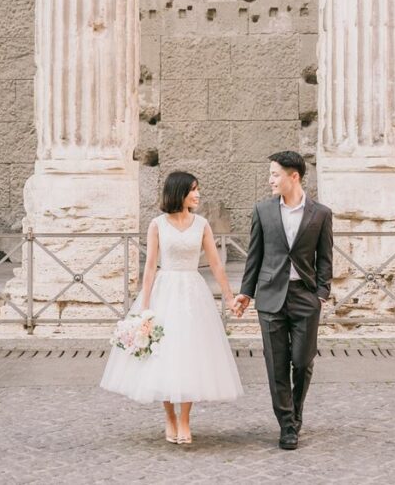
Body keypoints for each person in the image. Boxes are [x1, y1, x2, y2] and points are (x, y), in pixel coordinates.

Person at [100, 171, 243, 445]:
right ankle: (169, 416)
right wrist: (144, 308)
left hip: (192, 292)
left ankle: (186, 419)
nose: (198, 194)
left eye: (198, 189)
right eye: (193, 190)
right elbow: (151, 266)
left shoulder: (201, 224)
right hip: (164, 290)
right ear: (179, 193)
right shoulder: (157, 224)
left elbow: (215, 263)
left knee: (189, 353)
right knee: (163, 354)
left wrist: (228, 296)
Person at [232, 151, 333, 450]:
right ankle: (287, 425)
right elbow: (255, 255)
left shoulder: (321, 213)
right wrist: (246, 292)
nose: (270, 180)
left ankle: (296, 413)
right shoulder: (262, 210)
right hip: (270, 297)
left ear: (294, 177)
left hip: (305, 297)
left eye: (275, 174)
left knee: (302, 362)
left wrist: (321, 295)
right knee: (277, 365)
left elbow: (325, 258)